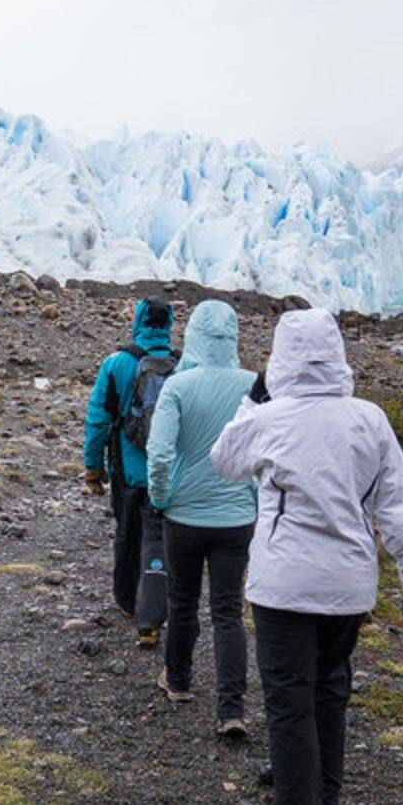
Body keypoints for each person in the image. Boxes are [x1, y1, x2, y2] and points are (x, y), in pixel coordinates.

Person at [211, 308, 403, 805]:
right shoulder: (369, 419)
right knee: (330, 694)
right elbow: (397, 510)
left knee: (289, 706)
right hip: (348, 589)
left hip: (283, 589)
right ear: (337, 355)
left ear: (280, 358)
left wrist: (254, 397)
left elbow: (223, 460)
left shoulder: (269, 418)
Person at [143, 300, 258, 738]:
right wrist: (253, 501)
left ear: (191, 336)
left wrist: (161, 497)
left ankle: (179, 681)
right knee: (228, 611)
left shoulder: (178, 386)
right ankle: (231, 709)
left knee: (183, 600)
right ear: (232, 338)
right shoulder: (252, 387)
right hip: (236, 519)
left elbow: (159, 453)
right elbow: (261, 457)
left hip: (184, 515)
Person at [83, 296, 177, 646]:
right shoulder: (181, 365)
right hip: (165, 469)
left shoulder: (117, 363)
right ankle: (154, 613)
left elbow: (98, 419)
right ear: (168, 323)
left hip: (127, 468)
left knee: (127, 534)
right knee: (158, 535)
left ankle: (126, 602)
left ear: (138, 321)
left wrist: (93, 468)